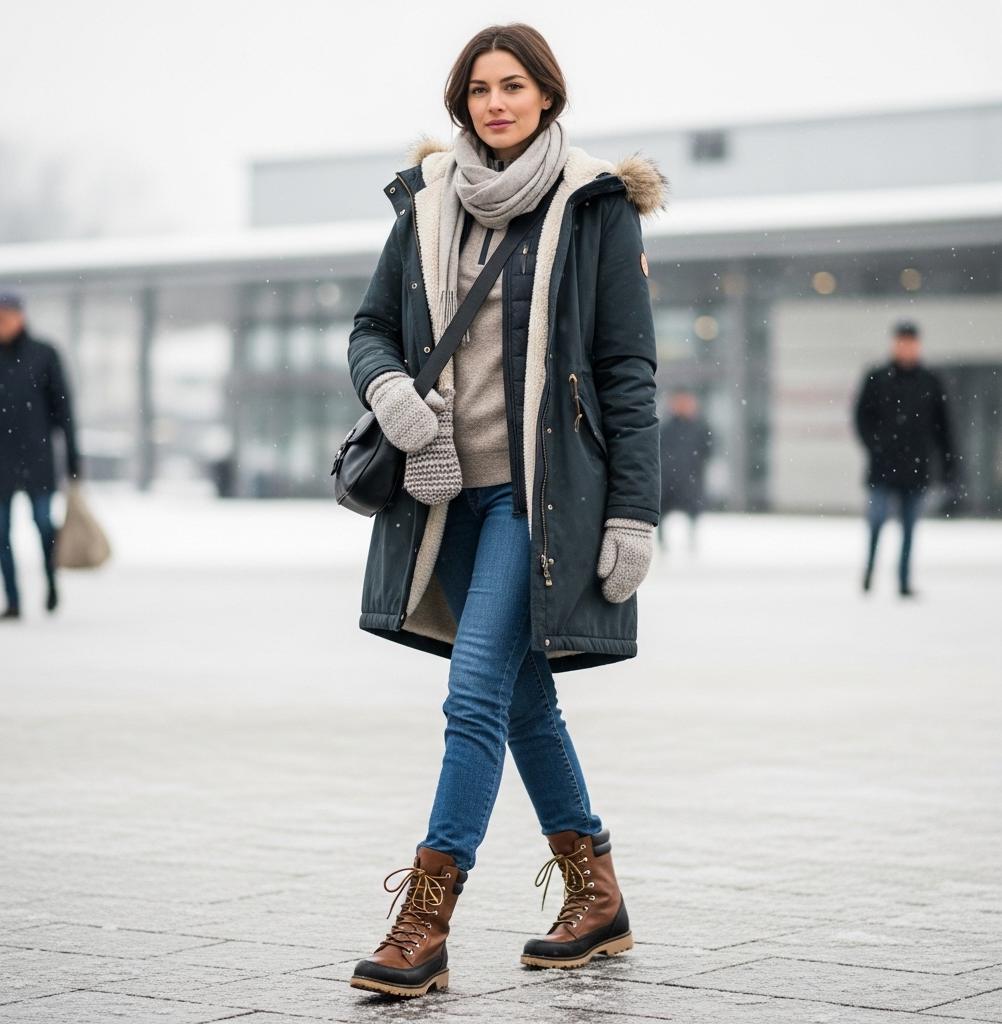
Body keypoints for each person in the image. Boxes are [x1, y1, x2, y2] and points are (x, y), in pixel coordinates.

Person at [345, 24, 663, 998]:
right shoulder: (429, 201)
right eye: (478, 87)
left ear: (545, 97)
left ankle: (424, 923)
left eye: (512, 85)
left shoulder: (594, 206)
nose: (494, 102)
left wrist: (632, 514)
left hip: (541, 500)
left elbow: (626, 371)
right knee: (523, 700)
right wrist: (389, 389)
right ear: (461, 101)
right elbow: (368, 328)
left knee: (473, 697)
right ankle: (594, 888)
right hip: (443, 496)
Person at [0, 291, 80, 620]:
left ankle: (51, 581)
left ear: (20, 315)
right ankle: (12, 601)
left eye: (5, 315)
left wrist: (73, 455)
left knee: (43, 525)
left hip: (36, 457)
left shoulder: (43, 355)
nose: (0, 322)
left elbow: (63, 409)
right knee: (1, 533)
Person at [854, 321, 954, 597]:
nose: (906, 348)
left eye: (910, 343)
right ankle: (870, 573)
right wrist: (876, 446)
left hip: (916, 467)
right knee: (876, 522)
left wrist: (948, 463)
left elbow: (942, 427)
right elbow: (861, 417)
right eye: (902, 342)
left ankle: (903, 581)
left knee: (909, 529)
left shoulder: (929, 382)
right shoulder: (877, 378)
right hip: (883, 467)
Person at [657, 390, 712, 549]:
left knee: (693, 513)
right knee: (662, 513)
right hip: (668, 479)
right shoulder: (666, 427)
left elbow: (707, 451)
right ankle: (663, 545)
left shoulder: (700, 427)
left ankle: (692, 544)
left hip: (691, 479)